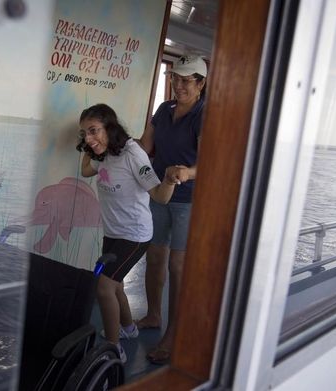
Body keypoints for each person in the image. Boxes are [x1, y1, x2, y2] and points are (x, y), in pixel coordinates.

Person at [76, 103, 183, 364]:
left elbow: (159, 195)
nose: (90, 138)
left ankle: (113, 350)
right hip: (113, 233)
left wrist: (169, 180)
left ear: (110, 128)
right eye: (85, 134)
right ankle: (128, 328)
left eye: (94, 131)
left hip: (134, 236)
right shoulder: (104, 153)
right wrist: (90, 148)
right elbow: (86, 170)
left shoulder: (133, 154)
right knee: (117, 284)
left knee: (103, 286)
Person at [136, 55, 207, 364]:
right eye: (175, 78)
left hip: (188, 199)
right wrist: (115, 151)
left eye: (186, 80)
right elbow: (145, 147)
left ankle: (173, 333)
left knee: (177, 267)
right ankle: (153, 315)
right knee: (154, 257)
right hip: (160, 193)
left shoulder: (204, 114)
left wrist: (187, 173)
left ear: (201, 84)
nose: (178, 85)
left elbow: (209, 162)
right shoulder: (164, 109)